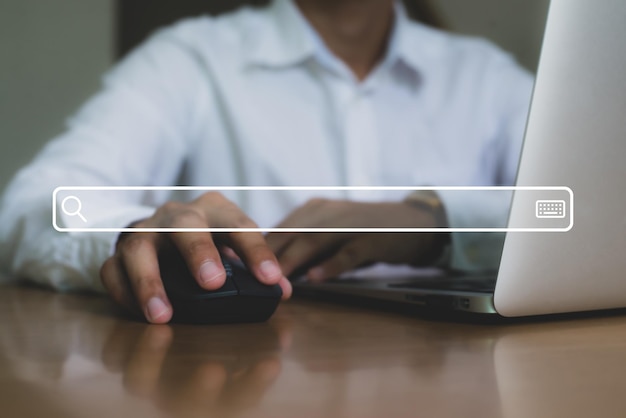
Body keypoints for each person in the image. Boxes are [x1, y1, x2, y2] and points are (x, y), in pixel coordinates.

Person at [0, 0, 534, 324]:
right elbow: (32, 205)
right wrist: (128, 234)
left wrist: (439, 220)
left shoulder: (486, 78)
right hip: (256, 376)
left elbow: (592, 213)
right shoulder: (192, 59)